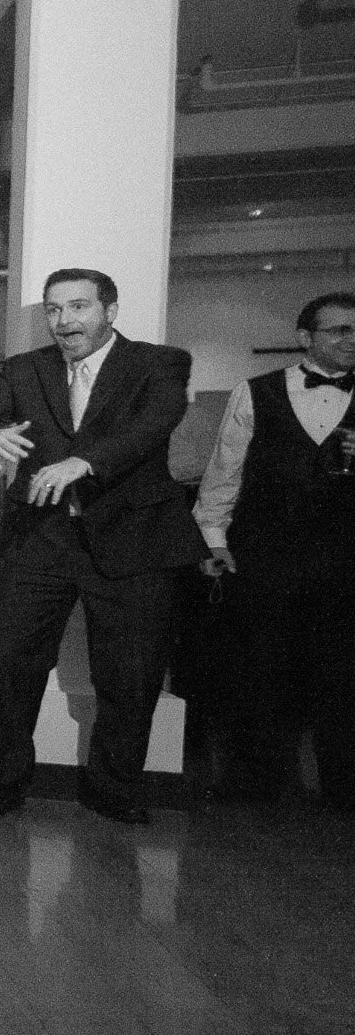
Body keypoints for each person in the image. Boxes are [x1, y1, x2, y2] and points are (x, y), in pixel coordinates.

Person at [0, 267, 203, 823]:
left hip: (132, 539)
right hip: (39, 539)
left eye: (79, 307)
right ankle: (0, 785)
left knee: (129, 674)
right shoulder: (25, 369)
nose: (65, 321)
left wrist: (84, 461)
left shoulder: (159, 363)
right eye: (54, 309)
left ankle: (113, 791)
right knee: (12, 665)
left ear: (109, 311)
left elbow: (153, 425)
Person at [194, 289, 355, 807]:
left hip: (346, 559)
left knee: (343, 675)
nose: (350, 340)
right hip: (267, 553)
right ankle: (257, 785)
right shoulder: (255, 391)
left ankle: (342, 789)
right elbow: (224, 474)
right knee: (261, 670)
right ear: (305, 337)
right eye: (339, 330)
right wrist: (215, 541)